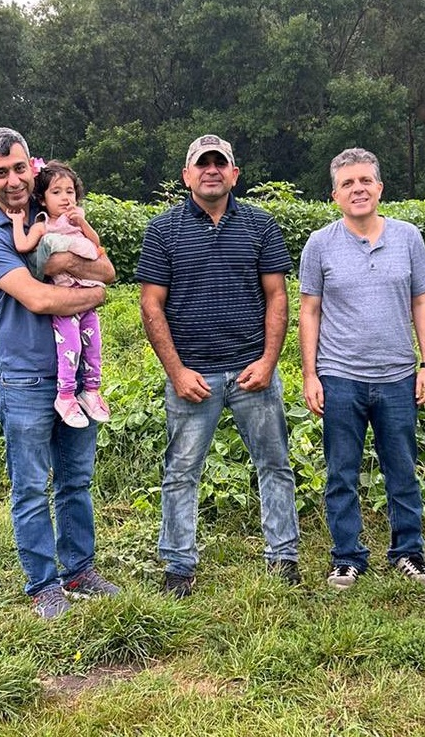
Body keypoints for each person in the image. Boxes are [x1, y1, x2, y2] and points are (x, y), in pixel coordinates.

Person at [0, 126, 120, 619]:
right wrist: (90, 294)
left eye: (19, 168)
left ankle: (79, 569)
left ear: (32, 165)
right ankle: (43, 585)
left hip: (73, 373)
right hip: (26, 380)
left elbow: (108, 268)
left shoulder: (53, 207)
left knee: (76, 481)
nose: (13, 180)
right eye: (1, 172)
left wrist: (81, 272)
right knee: (30, 488)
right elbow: (40, 297)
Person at [136, 133, 300, 597]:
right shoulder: (162, 231)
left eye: (219, 163)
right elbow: (151, 306)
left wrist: (269, 361)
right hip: (193, 375)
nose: (211, 170)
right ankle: (178, 566)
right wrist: (176, 371)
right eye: (201, 164)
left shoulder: (260, 225)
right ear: (187, 175)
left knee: (275, 464)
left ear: (234, 173)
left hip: (252, 372)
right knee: (181, 471)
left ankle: (283, 557)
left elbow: (277, 297)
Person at [299, 147, 425, 591]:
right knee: (341, 471)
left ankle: (408, 552)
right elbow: (310, 311)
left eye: (365, 181)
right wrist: (310, 374)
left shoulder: (408, 237)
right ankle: (347, 557)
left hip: (398, 375)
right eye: (347, 184)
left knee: (402, 467)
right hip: (340, 376)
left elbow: (422, 300)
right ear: (334, 195)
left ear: (379, 187)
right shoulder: (319, 244)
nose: (357, 189)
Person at [6, 159, 111, 429]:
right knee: (71, 348)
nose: (65, 198)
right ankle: (65, 396)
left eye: (70, 192)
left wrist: (84, 223)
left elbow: (96, 245)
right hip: (64, 299)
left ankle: (91, 391)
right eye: (56, 192)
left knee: (94, 344)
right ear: (41, 199)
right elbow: (22, 245)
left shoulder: (76, 222)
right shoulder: (43, 225)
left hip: (85, 295)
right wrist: (18, 221)